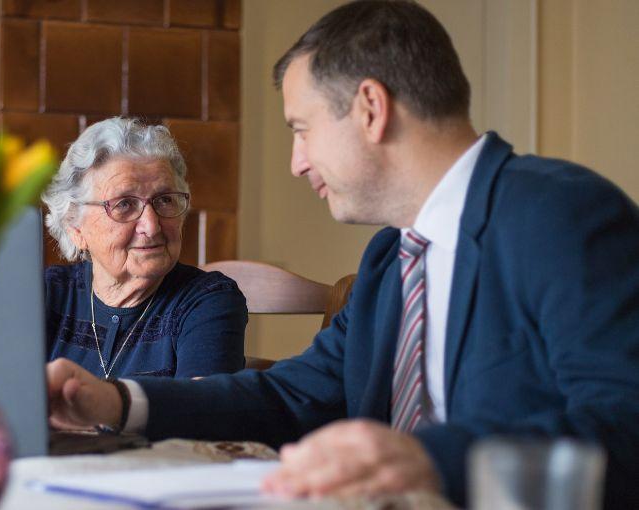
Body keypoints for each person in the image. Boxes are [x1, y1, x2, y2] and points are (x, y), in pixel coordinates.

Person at [45, 1, 639, 508]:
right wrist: (116, 400)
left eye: (301, 129)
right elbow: (288, 395)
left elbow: (626, 424)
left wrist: (430, 459)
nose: (297, 162)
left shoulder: (560, 213)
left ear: (370, 109)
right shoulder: (390, 260)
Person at [41, 117, 247, 380]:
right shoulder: (45, 295)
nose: (151, 226)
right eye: (124, 204)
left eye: (164, 200)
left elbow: (202, 415)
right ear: (75, 227)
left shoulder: (206, 302)